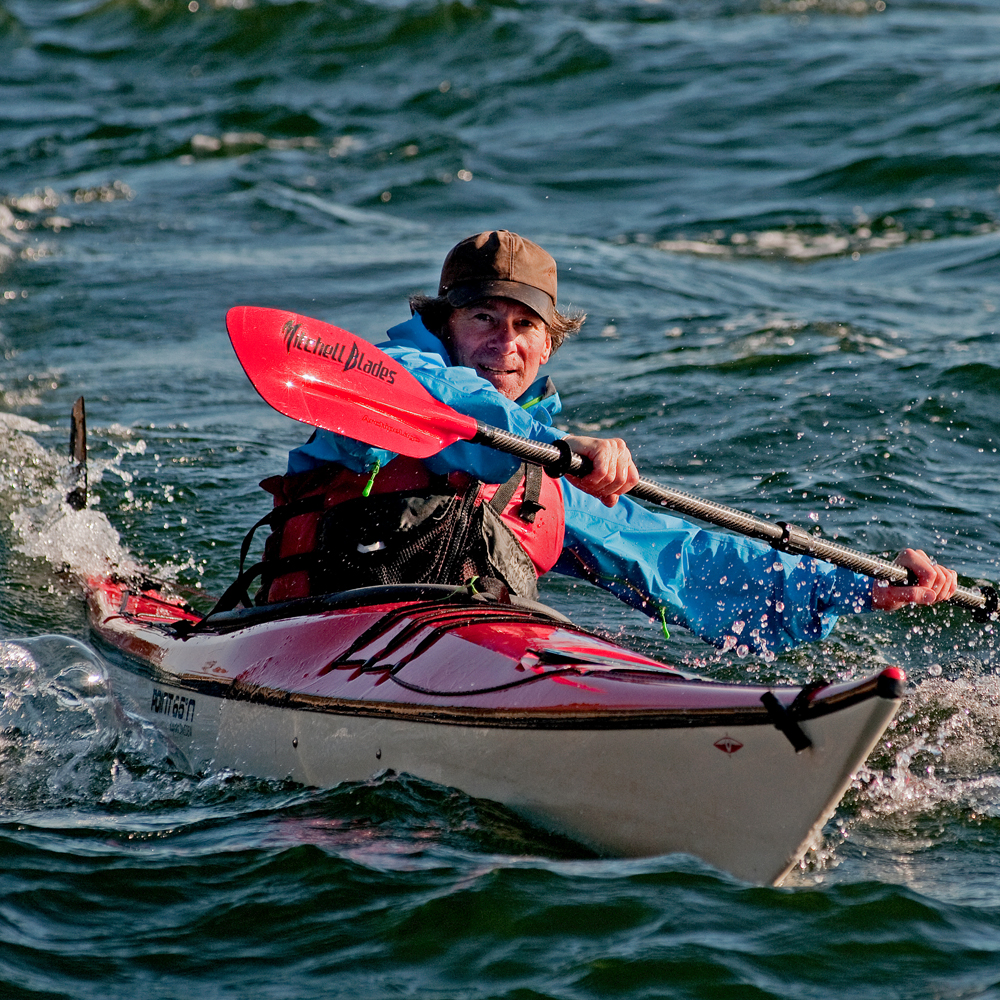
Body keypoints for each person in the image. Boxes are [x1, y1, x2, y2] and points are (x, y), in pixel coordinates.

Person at [270, 230, 957, 656]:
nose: (503, 345)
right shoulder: (392, 382)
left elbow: (679, 560)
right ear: (445, 323)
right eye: (483, 318)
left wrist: (861, 587)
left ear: (549, 343)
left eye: (524, 327)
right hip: (304, 633)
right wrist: (553, 441)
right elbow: (449, 409)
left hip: (449, 652)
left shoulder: (544, 472)